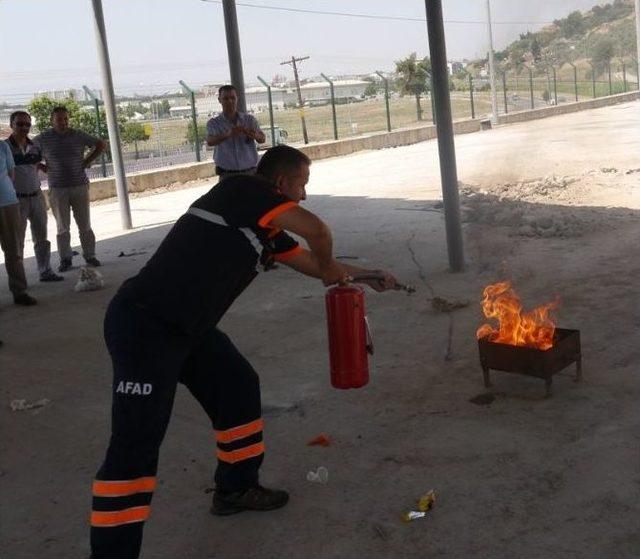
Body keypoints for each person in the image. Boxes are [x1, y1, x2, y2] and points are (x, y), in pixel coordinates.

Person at [90, 145, 397, 559]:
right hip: (145, 326)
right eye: (301, 185)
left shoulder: (265, 230)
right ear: (281, 183)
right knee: (135, 446)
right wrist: (329, 266)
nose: (303, 195)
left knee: (236, 385)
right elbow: (318, 233)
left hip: (189, 328)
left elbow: (312, 263)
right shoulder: (241, 192)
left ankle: (235, 489)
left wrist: (368, 273)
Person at [34, 106, 106, 272]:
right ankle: (65, 259)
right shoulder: (44, 138)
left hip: (79, 185)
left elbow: (101, 144)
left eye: (66, 119)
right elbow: (27, 150)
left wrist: (87, 160)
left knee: (85, 224)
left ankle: (90, 255)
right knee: (62, 227)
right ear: (52, 120)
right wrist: (40, 166)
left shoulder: (78, 135)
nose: (63, 122)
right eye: (59, 119)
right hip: (57, 188)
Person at [6, 111, 63, 282]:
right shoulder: (5, 148)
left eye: (27, 124)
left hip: (37, 197)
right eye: (19, 124)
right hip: (16, 200)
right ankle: (19, 281)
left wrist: (44, 167)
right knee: (18, 242)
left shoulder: (35, 146)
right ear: (11, 125)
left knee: (41, 237)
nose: (24, 127)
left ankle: (45, 271)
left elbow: (36, 164)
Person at [0, 138, 37, 306]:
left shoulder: (2, 146)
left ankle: (19, 291)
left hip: (8, 202)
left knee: (14, 250)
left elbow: (11, 173)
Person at [205, 84, 266, 178]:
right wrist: (228, 134)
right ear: (219, 100)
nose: (230, 101)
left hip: (250, 173)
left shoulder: (249, 120)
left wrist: (254, 135)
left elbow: (262, 139)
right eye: (226, 98)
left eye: (233, 98)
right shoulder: (214, 123)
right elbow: (210, 141)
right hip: (227, 175)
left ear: (237, 98)